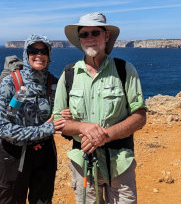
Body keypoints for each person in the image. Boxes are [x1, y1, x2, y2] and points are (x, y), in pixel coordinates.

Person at [53, 13, 147, 204]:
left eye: (95, 32)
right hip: (83, 162)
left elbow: (139, 116)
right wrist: (82, 128)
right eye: (84, 34)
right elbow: (57, 121)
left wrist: (106, 135)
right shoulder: (69, 74)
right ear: (80, 40)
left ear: (106, 36)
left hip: (120, 162)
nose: (90, 38)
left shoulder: (124, 70)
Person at [0, 34, 65, 204]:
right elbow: (1, 128)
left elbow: (59, 115)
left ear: (49, 54)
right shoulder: (10, 82)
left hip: (44, 154)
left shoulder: (54, 83)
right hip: (13, 156)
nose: (39, 55)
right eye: (33, 50)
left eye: (44, 51)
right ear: (26, 53)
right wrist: (46, 129)